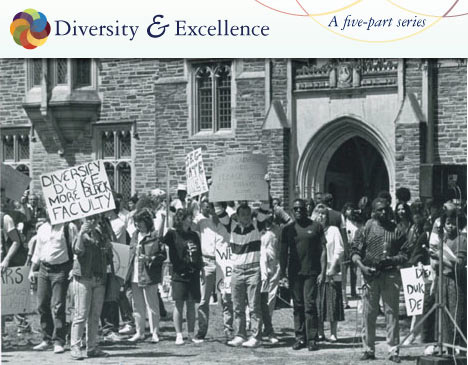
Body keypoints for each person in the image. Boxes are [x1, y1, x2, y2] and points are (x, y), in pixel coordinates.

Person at [351, 198, 409, 363]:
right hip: (370, 275)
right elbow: (355, 251)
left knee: (392, 313)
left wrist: (391, 260)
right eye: (380, 209)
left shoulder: (396, 230)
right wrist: (362, 267)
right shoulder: (367, 228)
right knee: (369, 314)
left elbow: (405, 254)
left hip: (390, 275)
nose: (384, 212)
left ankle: (393, 350)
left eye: (386, 209)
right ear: (374, 211)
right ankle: (368, 349)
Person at [280, 199, 327, 351]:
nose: (299, 211)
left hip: (312, 272)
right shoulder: (288, 229)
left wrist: (323, 271)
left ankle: (312, 339)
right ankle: (300, 338)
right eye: (296, 209)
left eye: (301, 208)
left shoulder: (316, 227)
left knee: (310, 305)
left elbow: (323, 250)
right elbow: (282, 252)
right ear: (292, 211)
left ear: (306, 209)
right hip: (295, 273)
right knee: (298, 306)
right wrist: (282, 273)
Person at [28, 216, 78, 353]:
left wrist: (74, 268)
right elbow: (38, 251)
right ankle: (46, 338)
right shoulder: (42, 228)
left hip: (61, 269)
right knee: (42, 303)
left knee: (58, 305)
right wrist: (33, 270)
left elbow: (75, 250)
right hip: (44, 269)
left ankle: (59, 340)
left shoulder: (69, 227)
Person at [69, 214, 113, 360]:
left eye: (95, 218)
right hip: (83, 277)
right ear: (83, 219)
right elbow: (77, 250)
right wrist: (81, 233)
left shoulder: (101, 234)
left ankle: (92, 346)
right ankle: (75, 346)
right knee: (81, 313)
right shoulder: (79, 233)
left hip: (99, 277)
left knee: (95, 315)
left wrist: (108, 248)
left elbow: (109, 256)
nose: (92, 221)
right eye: (89, 218)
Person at [225, 203, 269, 348]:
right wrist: (214, 187)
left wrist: (266, 186)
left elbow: (264, 208)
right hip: (237, 270)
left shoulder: (257, 226)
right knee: (237, 306)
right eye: (242, 214)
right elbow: (219, 211)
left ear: (251, 215)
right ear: (237, 216)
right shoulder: (231, 227)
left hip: (252, 270)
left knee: (254, 306)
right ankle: (240, 335)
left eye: (247, 214)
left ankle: (256, 336)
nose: (245, 217)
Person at [125, 209, 167, 343]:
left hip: (149, 274)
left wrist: (150, 258)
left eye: (140, 223)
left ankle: (155, 332)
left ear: (147, 222)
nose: (138, 226)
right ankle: (140, 332)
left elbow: (162, 255)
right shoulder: (134, 235)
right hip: (134, 274)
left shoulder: (154, 235)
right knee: (137, 305)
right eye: (136, 223)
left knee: (152, 304)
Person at [163, 208, 203, 345]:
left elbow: (199, 253)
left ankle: (191, 334)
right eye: (188, 217)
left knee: (191, 304)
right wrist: (164, 220)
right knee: (179, 303)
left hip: (193, 273)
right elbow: (161, 241)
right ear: (181, 219)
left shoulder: (194, 235)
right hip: (179, 273)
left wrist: (200, 268)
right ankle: (179, 334)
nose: (191, 219)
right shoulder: (173, 234)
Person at [192, 200, 229, 343]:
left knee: (226, 297)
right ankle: (201, 330)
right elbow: (191, 226)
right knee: (203, 299)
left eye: (216, 207)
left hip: (223, 262)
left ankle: (228, 330)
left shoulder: (227, 222)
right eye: (210, 207)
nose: (212, 210)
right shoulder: (201, 222)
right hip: (207, 262)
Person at [429, 209, 467, 352]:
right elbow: (438, 263)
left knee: (456, 315)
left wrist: (442, 256)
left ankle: (459, 348)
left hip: (455, 282)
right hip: (442, 280)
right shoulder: (443, 239)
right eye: (448, 223)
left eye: (453, 224)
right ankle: (446, 348)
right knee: (443, 316)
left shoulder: (461, 240)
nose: (450, 226)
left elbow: (459, 264)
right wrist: (434, 257)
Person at [313, 204, 345, 343]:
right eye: (318, 213)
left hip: (331, 271)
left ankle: (333, 333)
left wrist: (332, 267)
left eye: (323, 213)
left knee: (333, 302)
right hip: (317, 271)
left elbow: (339, 249)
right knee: (318, 303)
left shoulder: (333, 230)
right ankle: (320, 332)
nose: (321, 216)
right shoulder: (313, 231)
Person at [259, 214, 281, 344]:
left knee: (271, 297)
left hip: (274, 264)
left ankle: (267, 325)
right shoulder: (257, 228)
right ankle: (258, 326)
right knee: (261, 296)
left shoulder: (277, 229)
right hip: (261, 266)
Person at [341, 202, 362, 307]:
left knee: (354, 271)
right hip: (347, 246)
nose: (350, 211)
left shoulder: (356, 222)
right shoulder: (343, 221)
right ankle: (344, 291)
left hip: (355, 246)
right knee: (344, 270)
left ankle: (353, 290)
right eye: (348, 209)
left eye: (351, 209)